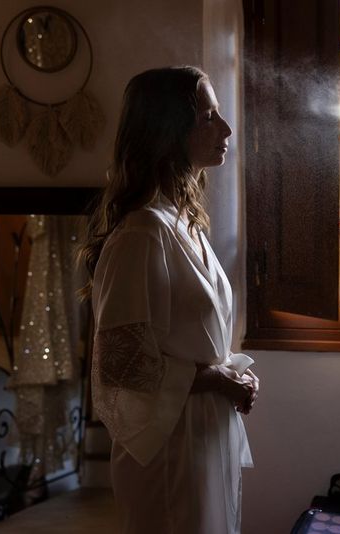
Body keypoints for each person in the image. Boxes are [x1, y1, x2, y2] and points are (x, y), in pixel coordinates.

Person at [78, 66, 259, 534]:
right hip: (169, 451)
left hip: (200, 440)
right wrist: (217, 379)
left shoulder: (182, 223)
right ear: (167, 130)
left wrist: (230, 375)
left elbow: (189, 340)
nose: (226, 129)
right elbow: (121, 366)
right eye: (208, 117)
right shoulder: (141, 235)